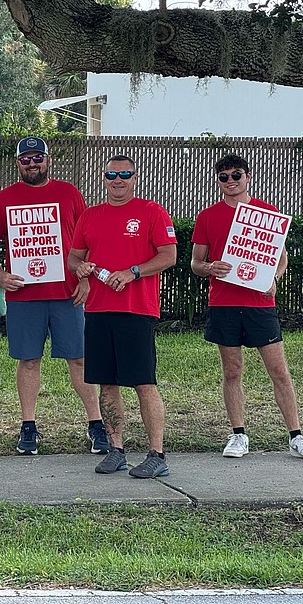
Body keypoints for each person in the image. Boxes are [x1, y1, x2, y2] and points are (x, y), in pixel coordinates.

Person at [0, 136, 107, 456]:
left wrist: (86, 279)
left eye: (38, 158)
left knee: (79, 359)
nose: (32, 163)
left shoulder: (69, 194)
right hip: (25, 295)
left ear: (49, 160)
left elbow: (89, 241)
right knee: (29, 360)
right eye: (26, 159)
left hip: (67, 293)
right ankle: (28, 427)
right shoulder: (5, 198)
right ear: (17, 163)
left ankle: (96, 425)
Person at [190, 154, 303, 460]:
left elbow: (281, 258)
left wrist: (275, 280)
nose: (231, 181)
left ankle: (296, 436)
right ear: (218, 182)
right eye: (224, 177)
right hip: (224, 303)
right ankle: (238, 434)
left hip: (259, 303)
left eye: (236, 175)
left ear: (248, 176)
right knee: (232, 370)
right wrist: (209, 268)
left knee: (279, 371)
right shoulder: (207, 216)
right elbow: (195, 263)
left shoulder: (266, 212)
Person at [68, 155, 178, 478]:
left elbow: (169, 255)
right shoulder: (90, 216)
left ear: (134, 178)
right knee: (107, 385)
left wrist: (133, 272)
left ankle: (157, 454)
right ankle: (116, 448)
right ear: (104, 178)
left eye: (124, 174)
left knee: (144, 383)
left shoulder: (151, 212)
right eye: (112, 175)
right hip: (99, 311)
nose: (118, 180)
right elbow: (74, 258)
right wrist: (83, 270)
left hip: (136, 310)